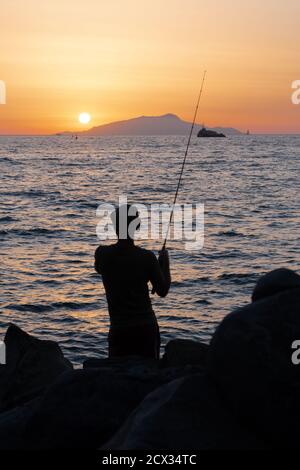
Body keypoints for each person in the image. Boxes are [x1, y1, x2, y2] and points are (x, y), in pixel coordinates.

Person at [94, 204, 171, 359]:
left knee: (118, 376)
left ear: (115, 226)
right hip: (145, 328)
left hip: (119, 329)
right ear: (137, 226)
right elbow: (162, 290)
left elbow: (100, 269)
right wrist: (165, 263)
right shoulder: (147, 258)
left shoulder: (102, 254)